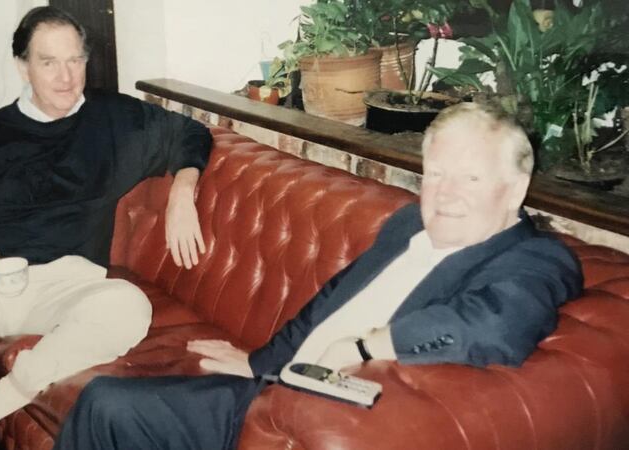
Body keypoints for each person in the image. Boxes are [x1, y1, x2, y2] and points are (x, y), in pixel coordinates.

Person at [52, 102, 584, 450]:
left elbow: (497, 325)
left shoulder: (535, 259)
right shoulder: (406, 225)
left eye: (470, 177)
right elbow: (332, 299)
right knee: (103, 400)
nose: (444, 194)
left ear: (514, 190)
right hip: (276, 384)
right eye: (437, 175)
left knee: (109, 405)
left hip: (307, 419)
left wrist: (368, 346)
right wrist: (259, 361)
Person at [0, 6, 213, 450]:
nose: (66, 77)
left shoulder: (113, 119)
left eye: (75, 60)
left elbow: (191, 134)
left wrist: (183, 190)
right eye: (49, 62)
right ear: (22, 67)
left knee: (126, 307)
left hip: (67, 284)